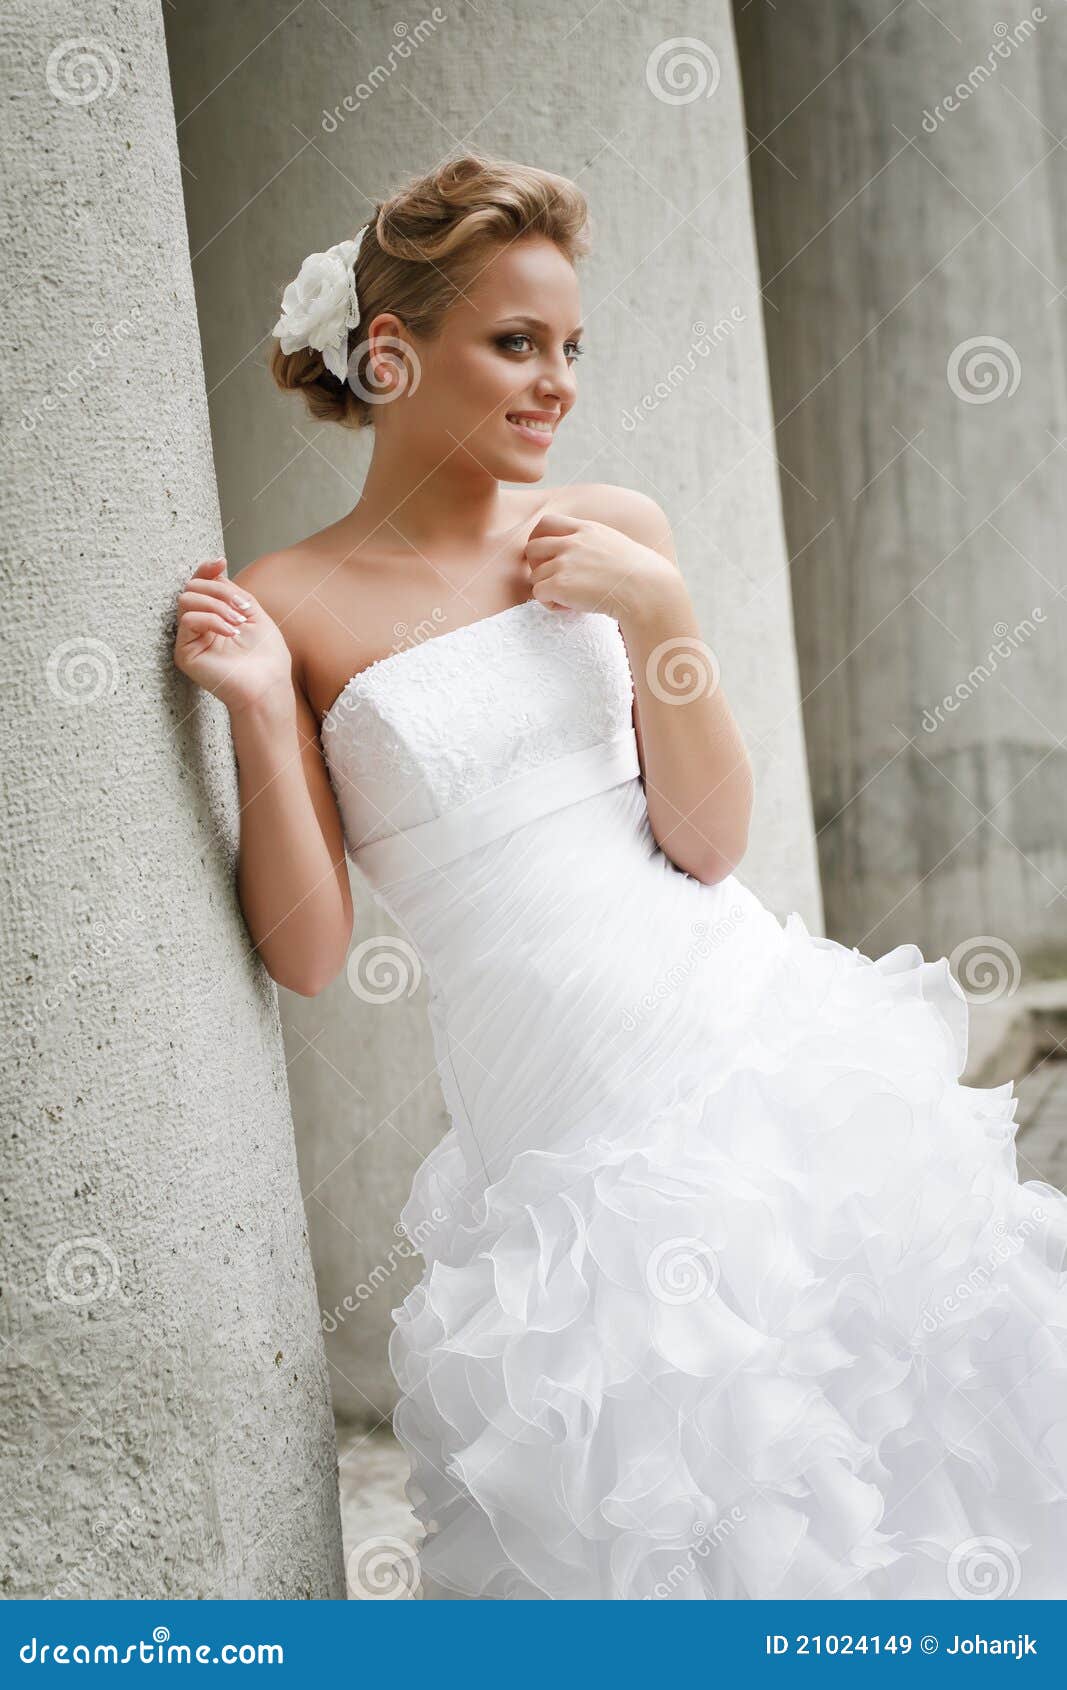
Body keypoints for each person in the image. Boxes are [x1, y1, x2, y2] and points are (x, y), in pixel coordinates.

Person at [173, 152, 1067, 1601]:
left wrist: (659, 607)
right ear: (392, 356)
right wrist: (266, 709)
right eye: (515, 342)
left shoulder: (613, 534)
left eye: (571, 347)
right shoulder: (294, 602)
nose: (557, 381)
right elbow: (309, 950)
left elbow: (709, 839)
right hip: (553, 1115)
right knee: (652, 1501)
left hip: (739, 1035)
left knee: (856, 1447)